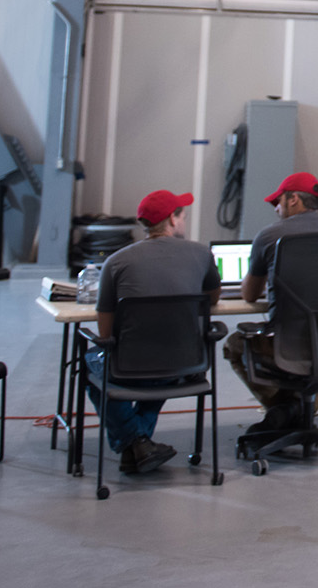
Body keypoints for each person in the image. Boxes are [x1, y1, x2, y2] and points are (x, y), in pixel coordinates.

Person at [87, 189, 221, 476]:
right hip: (186, 363)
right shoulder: (200, 253)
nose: (183, 221)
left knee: (89, 361)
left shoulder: (116, 262)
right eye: (182, 215)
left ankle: (133, 442)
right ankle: (139, 443)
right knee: (162, 361)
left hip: (131, 364)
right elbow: (211, 300)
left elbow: (106, 332)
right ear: (172, 220)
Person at [224, 171, 318, 430]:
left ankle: (283, 410)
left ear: (293, 199)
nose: (276, 210)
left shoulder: (270, 236)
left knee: (235, 343)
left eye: (278, 203)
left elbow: (249, 295)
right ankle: (296, 411)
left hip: (289, 347)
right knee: (313, 357)